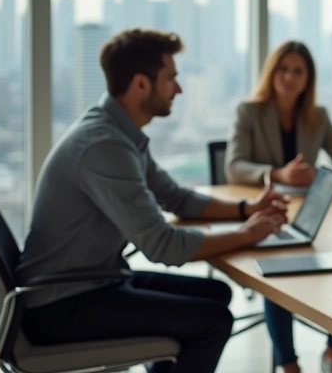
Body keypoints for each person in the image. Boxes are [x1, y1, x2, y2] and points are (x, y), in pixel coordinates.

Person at [16, 28, 290, 373]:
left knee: (216, 295)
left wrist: (245, 210)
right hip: (61, 304)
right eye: (171, 78)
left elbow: (176, 198)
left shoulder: (117, 133)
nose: (179, 88)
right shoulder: (105, 145)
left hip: (91, 282)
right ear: (141, 84)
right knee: (213, 320)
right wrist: (247, 234)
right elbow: (164, 247)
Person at [226, 40, 332, 373]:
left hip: (308, 212)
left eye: (298, 71)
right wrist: (276, 174)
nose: (289, 77)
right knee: (276, 276)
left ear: (308, 78)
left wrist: (319, 174)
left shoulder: (318, 115)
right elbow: (234, 166)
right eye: (283, 69)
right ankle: (288, 365)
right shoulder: (249, 111)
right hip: (266, 210)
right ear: (272, 72)